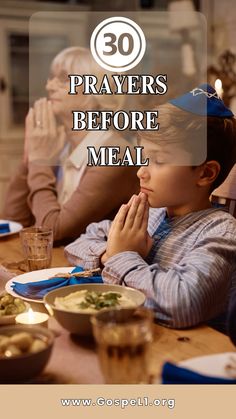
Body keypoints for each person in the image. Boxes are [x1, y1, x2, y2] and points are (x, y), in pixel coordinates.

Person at [65, 84, 236, 329]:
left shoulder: (221, 232)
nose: (141, 172)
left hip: (188, 353)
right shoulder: (151, 213)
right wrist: (108, 254)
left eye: (158, 160)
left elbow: (183, 303)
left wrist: (123, 256)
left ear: (205, 173)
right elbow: (79, 244)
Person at [3, 47, 138, 242]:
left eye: (64, 78)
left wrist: (39, 161)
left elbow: (54, 232)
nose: (49, 86)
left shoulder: (115, 153)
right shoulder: (58, 146)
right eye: (51, 77)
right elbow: (13, 223)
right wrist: (30, 155)